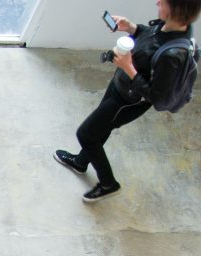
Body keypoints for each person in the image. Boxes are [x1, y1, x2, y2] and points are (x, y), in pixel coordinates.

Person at [53, 0, 200, 202]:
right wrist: (132, 27)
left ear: (176, 9)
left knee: (86, 134)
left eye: (163, 1)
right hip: (120, 87)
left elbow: (155, 97)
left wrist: (128, 68)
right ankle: (81, 161)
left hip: (126, 101)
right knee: (100, 129)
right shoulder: (169, 25)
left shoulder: (173, 55)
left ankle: (108, 183)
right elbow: (152, 36)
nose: (157, 2)